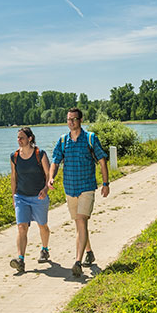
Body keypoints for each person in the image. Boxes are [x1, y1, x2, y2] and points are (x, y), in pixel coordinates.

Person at [48, 107, 108, 280]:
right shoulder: (62, 140)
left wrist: (105, 183)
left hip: (86, 188)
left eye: (74, 119)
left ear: (81, 120)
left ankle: (77, 262)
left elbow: (102, 160)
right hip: (70, 189)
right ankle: (89, 252)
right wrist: (51, 177)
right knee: (80, 225)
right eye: (68, 119)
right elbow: (55, 161)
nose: (71, 122)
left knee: (81, 221)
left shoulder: (90, 138)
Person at [8, 126, 52, 274]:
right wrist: (14, 196)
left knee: (42, 226)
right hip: (21, 197)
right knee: (21, 227)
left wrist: (46, 189)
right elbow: (14, 177)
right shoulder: (14, 157)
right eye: (18, 138)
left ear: (30, 139)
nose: (19, 140)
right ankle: (20, 259)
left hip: (39, 197)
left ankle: (44, 249)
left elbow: (48, 175)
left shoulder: (40, 154)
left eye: (22, 138)